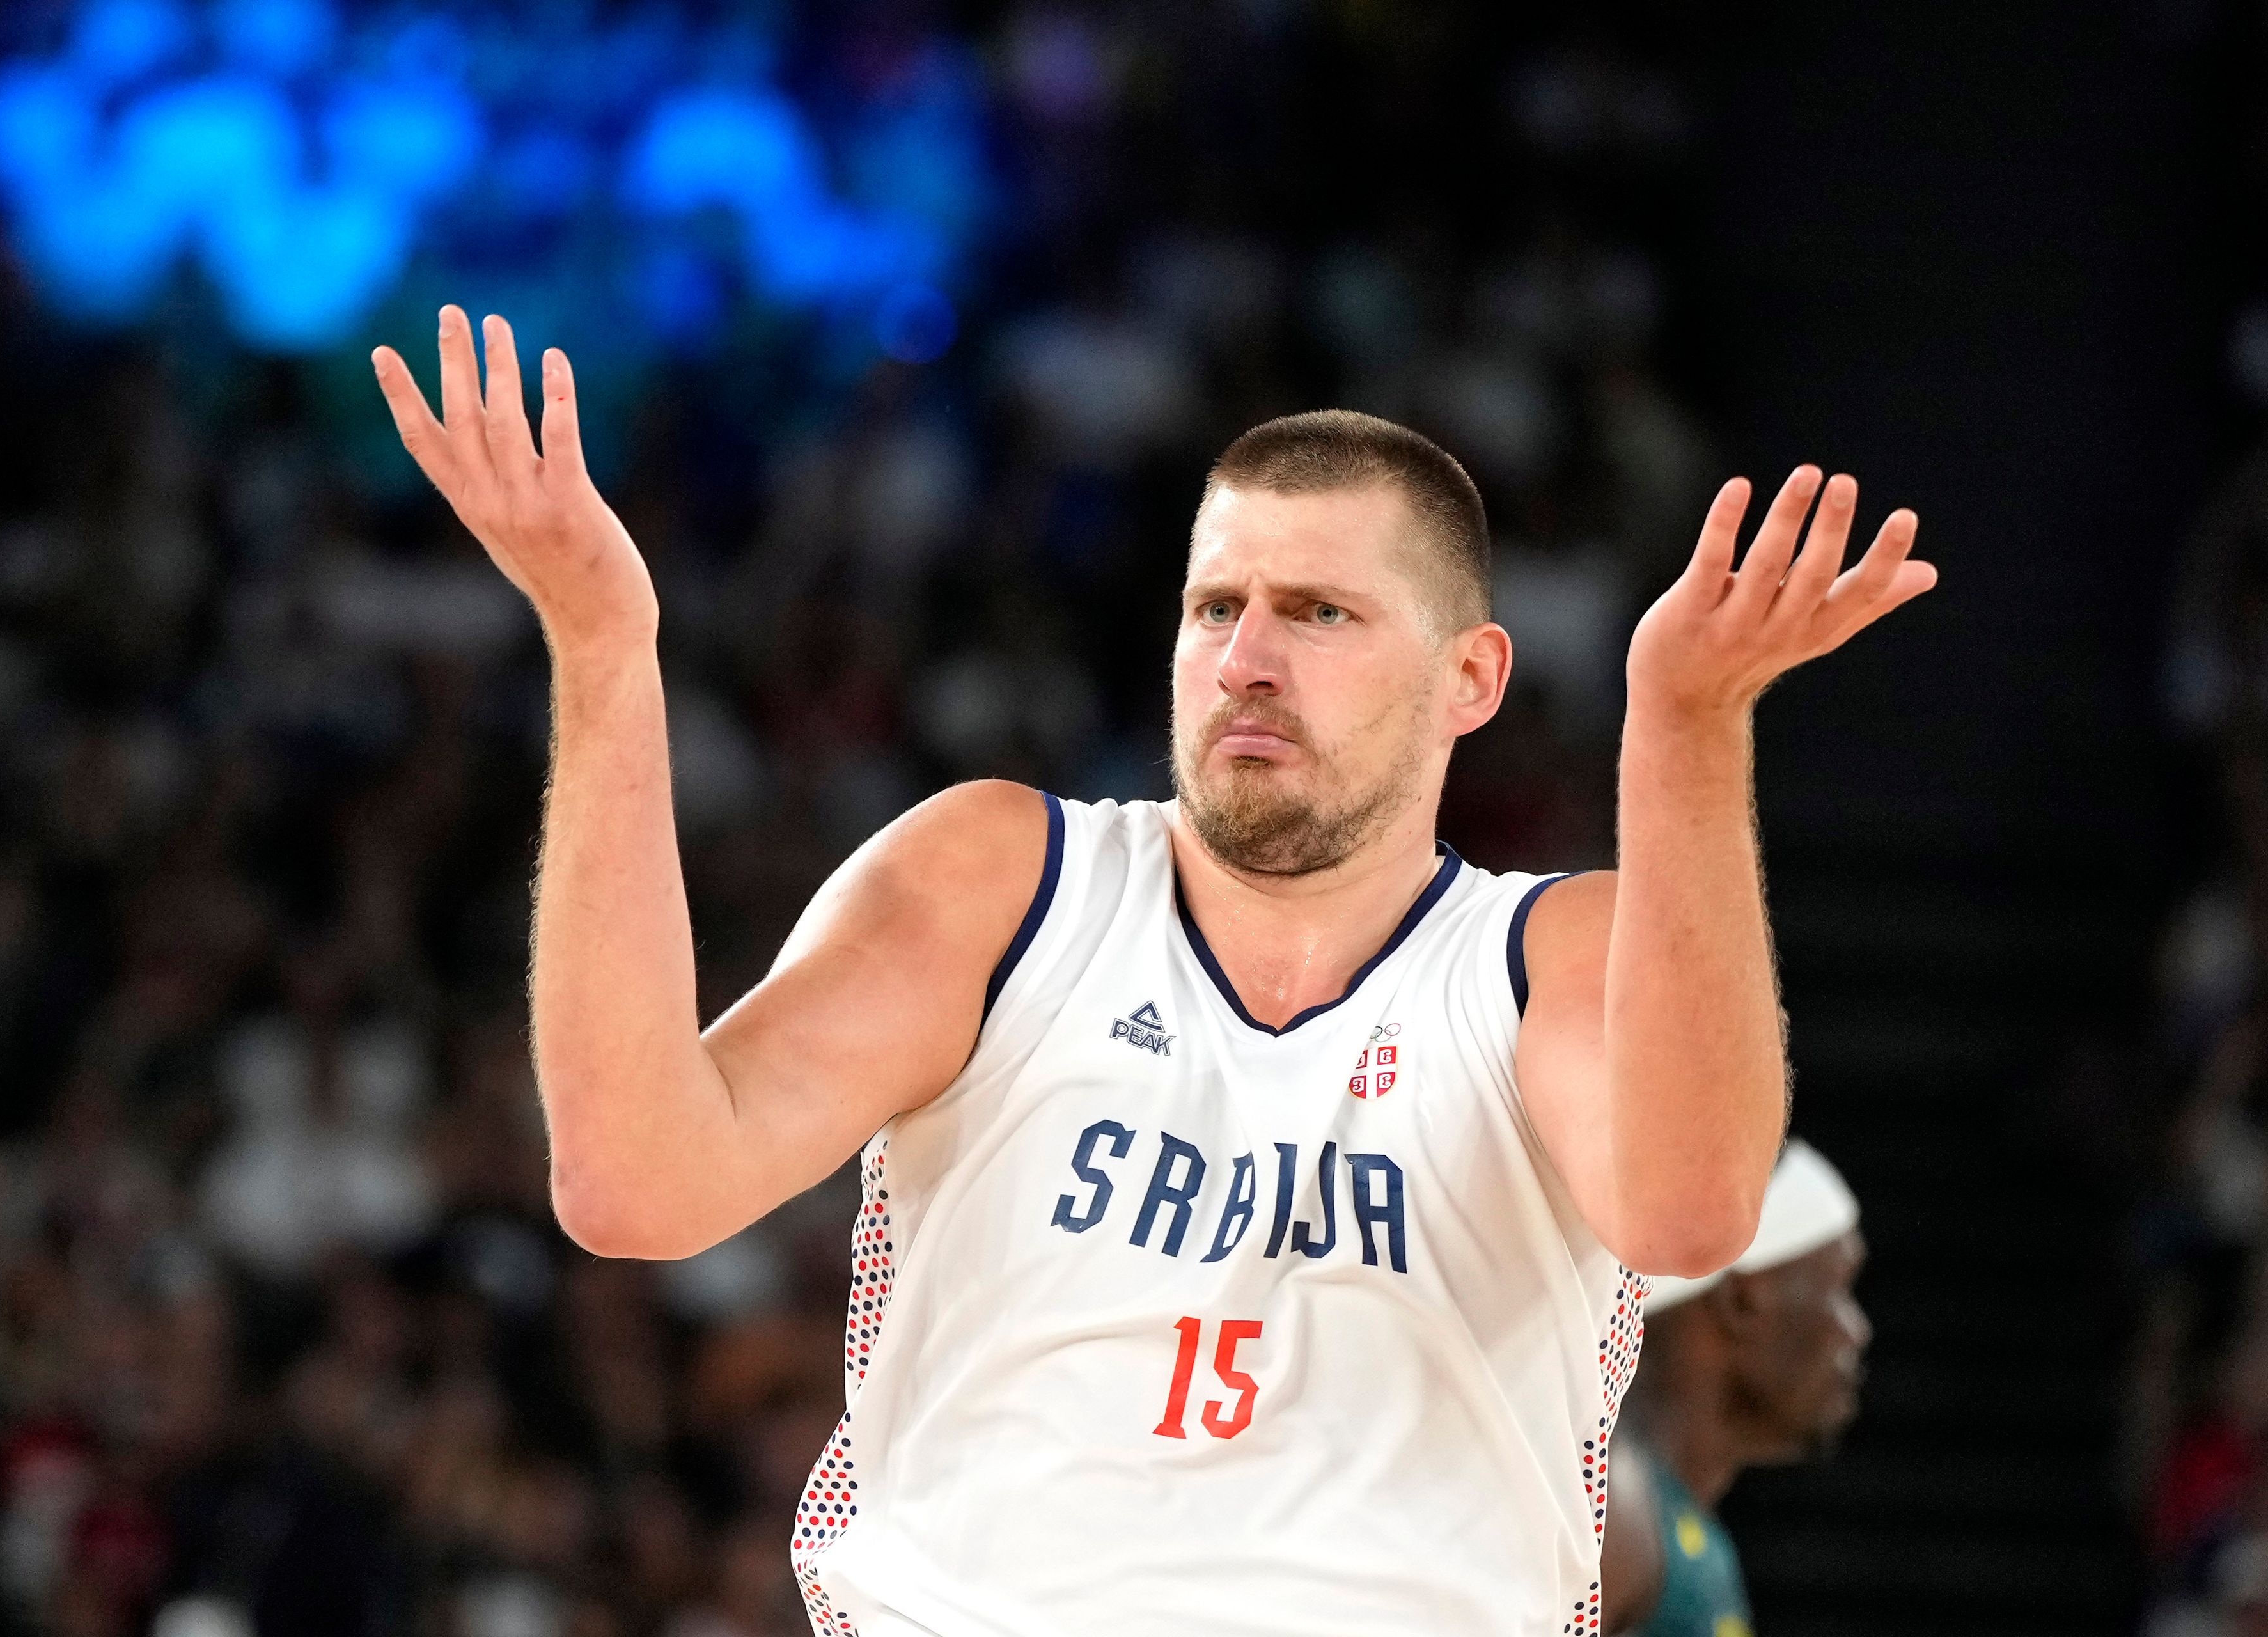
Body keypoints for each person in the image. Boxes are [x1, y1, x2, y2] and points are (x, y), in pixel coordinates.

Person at [369, 308, 1936, 1637]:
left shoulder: (1542, 955)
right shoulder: (1000, 879)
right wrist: (598, 644)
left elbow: (1685, 1208)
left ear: (1470, 677)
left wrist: (1685, 724)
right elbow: (637, 1178)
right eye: (1214, 605)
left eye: (1318, 610)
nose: (1246, 653)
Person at [1600, 1140, 1871, 1637]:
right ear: (1742, 1301)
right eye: (1839, 1289)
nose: (1856, 1331)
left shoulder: (1668, 1523)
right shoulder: (1610, 1506)